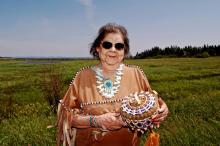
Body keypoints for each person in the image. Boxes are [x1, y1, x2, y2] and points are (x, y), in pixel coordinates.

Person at [56, 23, 169, 146]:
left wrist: (161, 112)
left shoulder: (137, 74)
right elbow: (65, 117)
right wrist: (96, 121)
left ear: (124, 50)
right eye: (107, 44)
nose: (113, 49)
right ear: (98, 48)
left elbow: (151, 107)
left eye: (119, 46)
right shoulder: (82, 76)